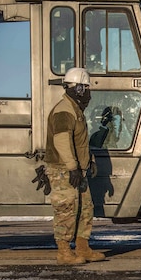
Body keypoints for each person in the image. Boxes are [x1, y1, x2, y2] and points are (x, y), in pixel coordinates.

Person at [44, 68, 106, 265]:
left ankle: (82, 247)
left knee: (85, 209)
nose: (88, 92)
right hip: (63, 170)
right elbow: (61, 140)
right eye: (85, 87)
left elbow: (79, 141)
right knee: (66, 209)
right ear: (77, 88)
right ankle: (64, 252)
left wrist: (89, 162)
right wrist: (72, 167)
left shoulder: (75, 110)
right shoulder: (64, 110)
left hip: (78, 169)